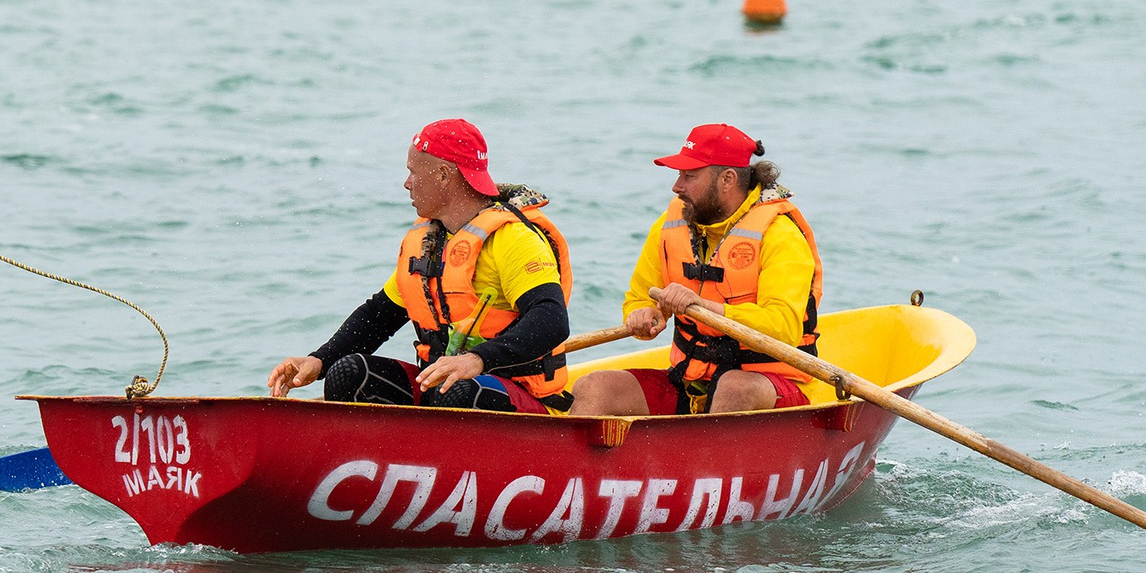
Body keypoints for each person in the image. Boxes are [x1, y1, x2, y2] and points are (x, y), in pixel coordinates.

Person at [266, 119, 576, 413]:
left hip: (515, 395)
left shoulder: (512, 238)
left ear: (443, 175)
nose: (407, 183)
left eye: (414, 172)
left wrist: (478, 360)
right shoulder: (431, 241)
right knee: (347, 372)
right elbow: (378, 316)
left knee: (458, 390)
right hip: (444, 388)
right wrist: (319, 360)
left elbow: (552, 320)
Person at [568, 123, 831, 417]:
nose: (677, 186)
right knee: (594, 388)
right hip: (691, 382)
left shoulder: (780, 235)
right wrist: (643, 313)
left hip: (771, 386)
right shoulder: (670, 225)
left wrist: (704, 307)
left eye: (689, 176)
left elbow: (782, 326)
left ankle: (709, 462)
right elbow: (638, 296)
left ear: (728, 179)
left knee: (733, 388)